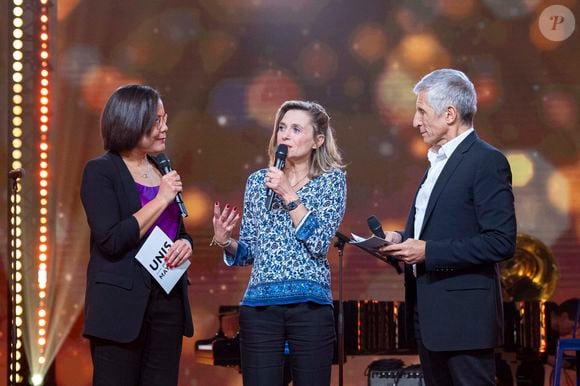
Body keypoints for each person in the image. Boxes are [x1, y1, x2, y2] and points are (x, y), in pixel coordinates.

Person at [377, 69, 517, 386]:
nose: (415, 121)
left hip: (465, 320)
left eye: (422, 111)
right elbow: (430, 232)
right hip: (429, 317)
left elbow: (501, 241)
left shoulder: (486, 161)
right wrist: (400, 239)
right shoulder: (435, 164)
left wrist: (428, 251)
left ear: (450, 114)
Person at [212, 100, 347, 386]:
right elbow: (249, 252)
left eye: (296, 129)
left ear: (317, 140)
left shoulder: (331, 181)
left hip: (309, 307)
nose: (285, 135)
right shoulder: (258, 182)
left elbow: (320, 242)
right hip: (260, 309)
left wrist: (288, 194)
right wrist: (225, 242)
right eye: (282, 128)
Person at [80, 84, 193, 386]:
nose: (165, 127)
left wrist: (185, 243)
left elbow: (177, 230)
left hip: (166, 303)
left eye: (165, 119)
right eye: (157, 121)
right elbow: (111, 240)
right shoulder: (101, 171)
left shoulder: (161, 169)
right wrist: (160, 199)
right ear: (132, 120)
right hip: (120, 308)